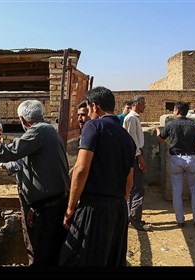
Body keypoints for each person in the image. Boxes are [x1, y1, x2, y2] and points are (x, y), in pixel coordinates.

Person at [0, 99, 70, 266]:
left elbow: (13, 150)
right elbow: (22, 163)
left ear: (23, 120)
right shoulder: (49, 131)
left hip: (46, 210)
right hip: (51, 205)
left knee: (42, 252)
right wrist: (0, 164)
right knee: (49, 251)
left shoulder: (38, 132)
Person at [59, 86, 136, 266]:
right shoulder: (127, 138)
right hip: (118, 209)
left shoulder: (94, 126)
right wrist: (117, 203)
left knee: (76, 259)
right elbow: (129, 181)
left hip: (94, 207)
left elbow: (80, 169)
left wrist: (70, 209)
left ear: (94, 107)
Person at [156, 101, 195, 228]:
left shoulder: (171, 124)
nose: (173, 113)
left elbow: (161, 140)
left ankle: (180, 220)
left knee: (177, 191)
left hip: (176, 160)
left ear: (177, 111)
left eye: (173, 110)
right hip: (191, 158)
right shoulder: (194, 125)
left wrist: (158, 131)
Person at [123, 95, 149, 231]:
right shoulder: (132, 118)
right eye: (143, 104)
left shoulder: (133, 118)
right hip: (135, 156)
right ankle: (135, 218)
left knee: (133, 188)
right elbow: (133, 142)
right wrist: (140, 158)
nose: (145, 106)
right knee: (138, 189)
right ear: (138, 104)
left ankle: (131, 216)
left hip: (134, 155)